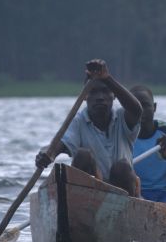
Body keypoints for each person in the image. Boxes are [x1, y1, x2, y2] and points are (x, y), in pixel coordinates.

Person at [36, 59, 143, 194]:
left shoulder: (123, 118)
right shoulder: (78, 121)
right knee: (83, 155)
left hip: (124, 190)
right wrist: (47, 155)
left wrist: (107, 78)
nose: (100, 97)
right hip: (93, 193)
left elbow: (137, 110)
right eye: (94, 92)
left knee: (121, 167)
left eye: (105, 91)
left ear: (114, 95)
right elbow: (60, 145)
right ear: (85, 96)